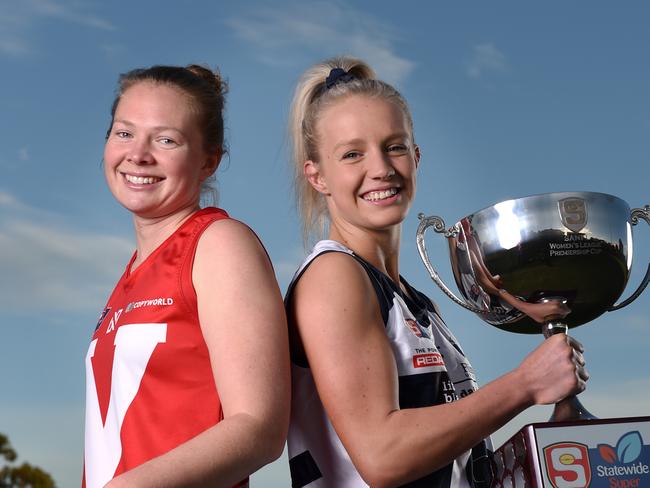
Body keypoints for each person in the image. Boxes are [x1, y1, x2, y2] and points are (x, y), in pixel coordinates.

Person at [284, 56, 588, 488]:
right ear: (317, 176)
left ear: (416, 156)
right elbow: (382, 455)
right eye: (353, 154)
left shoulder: (411, 299)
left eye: (394, 146)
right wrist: (524, 385)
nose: (381, 169)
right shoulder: (334, 277)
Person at [84, 65, 290, 488]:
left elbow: (260, 427)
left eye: (166, 139)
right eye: (124, 133)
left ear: (207, 161)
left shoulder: (218, 245)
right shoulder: (133, 273)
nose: (138, 154)